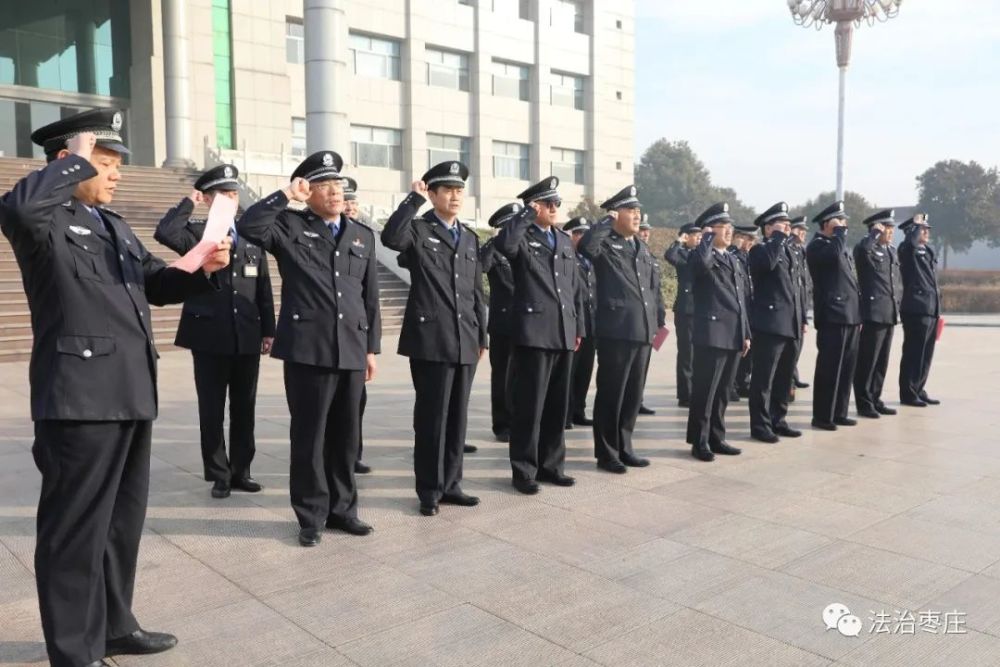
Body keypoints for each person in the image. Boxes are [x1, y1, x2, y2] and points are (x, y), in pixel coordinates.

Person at [1, 109, 232, 667]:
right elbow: (16, 206)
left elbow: (155, 284)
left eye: (114, 164)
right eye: (104, 163)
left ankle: (114, 626)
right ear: (68, 162)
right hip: (79, 398)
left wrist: (200, 265)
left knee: (119, 524)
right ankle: (74, 652)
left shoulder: (114, 225)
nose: (117, 174)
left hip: (130, 391)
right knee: (75, 530)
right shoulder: (44, 220)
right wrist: (73, 159)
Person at [238, 150, 381, 546]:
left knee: (346, 436)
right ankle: (311, 515)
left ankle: (344, 510)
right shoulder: (289, 226)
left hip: (351, 347)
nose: (334, 191)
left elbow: (369, 298)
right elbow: (250, 226)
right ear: (307, 190)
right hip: (308, 349)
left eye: (337, 184)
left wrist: (371, 349)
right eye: (323, 184)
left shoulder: (361, 235)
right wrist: (285, 194)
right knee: (310, 436)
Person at [154, 164, 275, 498]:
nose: (230, 200)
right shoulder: (195, 234)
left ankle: (242, 471)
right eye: (222, 194)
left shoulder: (251, 235)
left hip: (246, 335)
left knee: (244, 406)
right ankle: (219, 474)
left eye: (233, 194)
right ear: (208, 199)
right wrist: (187, 203)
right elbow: (165, 232)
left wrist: (269, 329)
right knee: (211, 409)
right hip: (208, 336)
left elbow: (262, 285)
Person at [381, 161, 486, 516]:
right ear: (433, 194)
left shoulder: (469, 237)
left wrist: (481, 335)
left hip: (465, 339)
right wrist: (413, 200)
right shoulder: (418, 230)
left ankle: (452, 483)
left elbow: (475, 292)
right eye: (447, 190)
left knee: (457, 418)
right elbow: (390, 237)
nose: (455, 196)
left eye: (459, 190)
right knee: (432, 418)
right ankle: (428, 490)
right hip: (431, 339)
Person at [496, 177, 581, 493]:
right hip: (533, 333)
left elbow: (573, 289)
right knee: (529, 407)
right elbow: (505, 247)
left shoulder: (562, 239)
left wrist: (578, 327)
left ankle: (551, 465)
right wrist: (523, 216)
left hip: (562, 331)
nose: (554, 208)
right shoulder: (522, 235)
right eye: (547, 203)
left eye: (556, 203)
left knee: (557, 406)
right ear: (534, 206)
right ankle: (524, 471)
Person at [578, 185, 657, 473]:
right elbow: (586, 248)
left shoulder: (641, 246)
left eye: (638, 211)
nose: (637, 216)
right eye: (630, 210)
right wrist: (604, 223)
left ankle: (625, 446)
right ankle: (607, 452)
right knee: (612, 393)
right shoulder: (605, 242)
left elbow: (653, 289)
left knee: (633, 395)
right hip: (617, 332)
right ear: (616, 214)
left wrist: (657, 328)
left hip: (643, 332)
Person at [686, 203, 751, 462]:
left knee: (723, 391)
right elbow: (699, 265)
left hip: (733, 333)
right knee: (706, 391)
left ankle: (717, 436)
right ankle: (699, 441)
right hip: (711, 333)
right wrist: (707, 238)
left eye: (729, 226)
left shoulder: (732, 258)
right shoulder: (704, 255)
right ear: (711, 230)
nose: (729, 230)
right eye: (723, 226)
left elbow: (740, 299)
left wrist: (745, 333)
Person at [746, 202, 803, 443]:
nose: (787, 228)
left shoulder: (790, 250)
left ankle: (778, 419)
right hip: (769, 324)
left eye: (788, 224)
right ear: (768, 228)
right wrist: (778, 238)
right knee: (764, 379)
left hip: (790, 323)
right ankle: (760, 425)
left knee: (785, 376)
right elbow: (767, 265)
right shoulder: (760, 250)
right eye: (782, 225)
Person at [805, 200, 861, 431]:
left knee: (846, 368)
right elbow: (833, 256)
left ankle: (839, 412)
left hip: (849, 315)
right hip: (832, 315)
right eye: (839, 222)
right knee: (830, 368)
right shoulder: (818, 246)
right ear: (827, 224)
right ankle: (823, 415)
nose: (844, 226)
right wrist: (839, 233)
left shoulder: (837, 245)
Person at [853, 209, 901, 418]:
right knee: (868, 360)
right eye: (886, 228)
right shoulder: (866, 248)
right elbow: (863, 252)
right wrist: (873, 235)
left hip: (888, 312)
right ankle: (864, 402)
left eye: (891, 228)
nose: (890, 232)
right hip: (873, 313)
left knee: (881, 361)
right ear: (876, 228)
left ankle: (875, 398)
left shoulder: (890, 250)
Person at [480, 203, 520, 442]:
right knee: (502, 376)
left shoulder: (522, 249)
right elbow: (480, 266)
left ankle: (519, 418)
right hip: (503, 324)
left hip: (525, 324)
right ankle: (502, 423)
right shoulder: (495, 251)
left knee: (521, 376)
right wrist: (494, 242)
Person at [898, 214, 941, 407]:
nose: (926, 232)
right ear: (911, 232)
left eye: (926, 229)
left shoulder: (928, 250)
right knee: (914, 352)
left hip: (930, 308)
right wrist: (914, 228)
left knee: (926, 353)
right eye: (922, 229)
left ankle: (919, 387)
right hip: (916, 308)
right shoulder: (907, 249)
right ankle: (908, 393)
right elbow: (910, 246)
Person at [664, 223, 702, 407]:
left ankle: (696, 390)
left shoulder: (700, 255)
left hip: (701, 310)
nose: (699, 238)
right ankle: (685, 394)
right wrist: (679, 241)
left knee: (699, 354)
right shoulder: (682, 254)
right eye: (695, 235)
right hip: (686, 310)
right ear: (687, 237)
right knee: (687, 353)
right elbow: (669, 256)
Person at [564, 216, 597, 426]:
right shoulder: (567, 258)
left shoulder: (591, 261)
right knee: (570, 372)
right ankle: (565, 414)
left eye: (585, 233)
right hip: (575, 322)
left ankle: (579, 411)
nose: (582, 237)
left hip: (591, 323)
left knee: (585, 370)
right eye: (578, 233)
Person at [636, 216, 664, 415]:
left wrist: (660, 321)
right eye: (642, 230)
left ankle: (638, 400)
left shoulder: (649, 255)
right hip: (635, 321)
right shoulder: (633, 253)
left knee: (642, 367)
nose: (645, 233)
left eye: (647, 230)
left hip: (650, 319)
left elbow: (656, 292)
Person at [728, 226, 756, 400]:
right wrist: (733, 248)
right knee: (736, 351)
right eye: (748, 239)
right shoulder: (732, 255)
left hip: (750, 307)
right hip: (736, 308)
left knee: (748, 351)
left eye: (753, 240)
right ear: (738, 237)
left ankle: (743, 382)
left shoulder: (748, 256)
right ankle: (731, 386)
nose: (751, 243)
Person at [788, 216, 812, 391]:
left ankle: (793, 376)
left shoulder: (801, 250)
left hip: (802, 303)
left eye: (805, 231)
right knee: (791, 348)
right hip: (790, 308)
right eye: (800, 230)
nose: (803, 234)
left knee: (798, 347)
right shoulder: (788, 248)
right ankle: (789, 380)